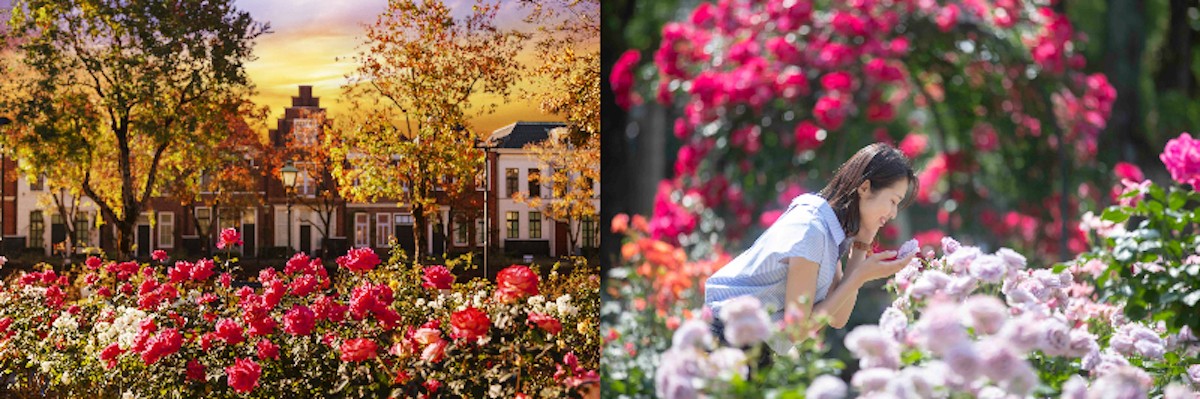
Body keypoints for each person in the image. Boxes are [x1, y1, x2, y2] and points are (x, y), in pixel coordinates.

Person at [704, 142, 919, 355]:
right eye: (893, 201)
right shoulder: (812, 230)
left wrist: (862, 244)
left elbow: (837, 318)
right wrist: (859, 277)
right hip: (724, 338)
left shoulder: (830, 229)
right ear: (864, 187)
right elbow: (796, 330)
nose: (893, 214)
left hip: (748, 343)